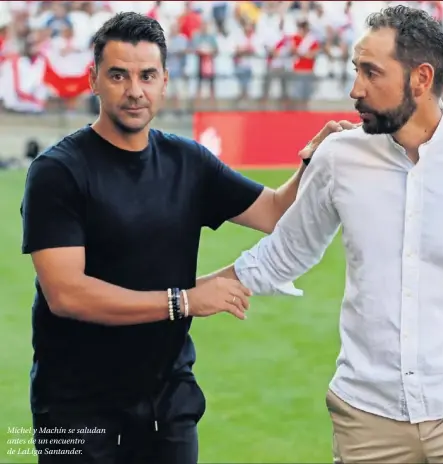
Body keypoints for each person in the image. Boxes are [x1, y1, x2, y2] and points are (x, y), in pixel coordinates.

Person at [207, 6, 443, 464]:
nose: (355, 90)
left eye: (371, 73)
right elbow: (282, 254)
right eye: (356, 70)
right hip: (366, 415)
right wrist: (182, 298)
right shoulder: (338, 157)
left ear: (420, 79)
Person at [20, 12, 353, 464]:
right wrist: (184, 300)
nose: (134, 90)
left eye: (146, 75)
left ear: (165, 81)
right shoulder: (57, 173)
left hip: (166, 401)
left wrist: (315, 159)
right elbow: (66, 294)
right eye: (118, 75)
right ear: (93, 79)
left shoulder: (187, 161)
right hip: (74, 407)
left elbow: (275, 211)